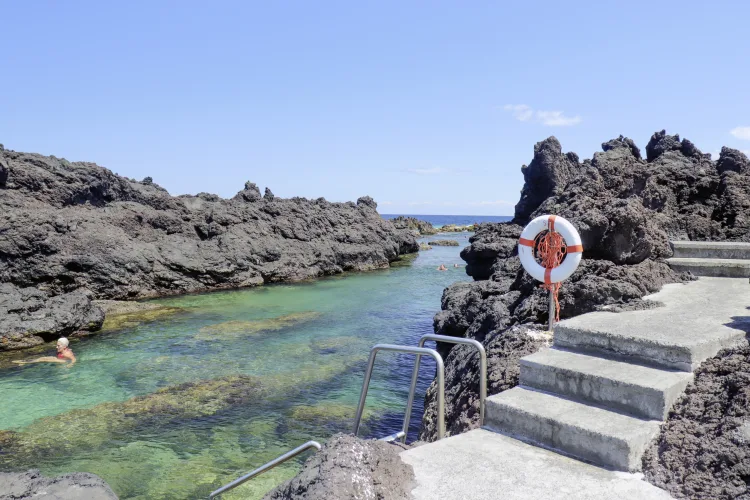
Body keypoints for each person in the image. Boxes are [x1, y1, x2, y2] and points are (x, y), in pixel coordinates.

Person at [12, 337, 76, 365]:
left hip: (63, 361)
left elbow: (74, 359)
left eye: (58, 345)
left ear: (64, 347)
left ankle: (24, 362)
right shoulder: (64, 350)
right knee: (42, 357)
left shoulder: (67, 353)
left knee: (42, 359)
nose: (56, 347)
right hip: (60, 359)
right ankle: (25, 361)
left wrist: (70, 365)